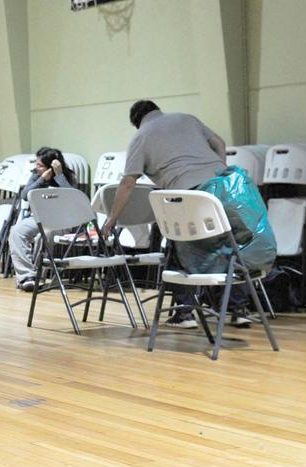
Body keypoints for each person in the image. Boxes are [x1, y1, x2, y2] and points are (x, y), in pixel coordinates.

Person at [101, 100, 276, 328]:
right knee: (235, 244)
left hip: (189, 197)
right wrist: (218, 172)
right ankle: (237, 309)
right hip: (225, 188)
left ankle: (185, 313)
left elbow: (127, 183)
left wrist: (112, 219)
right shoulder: (186, 118)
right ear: (157, 110)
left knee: (177, 246)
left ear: (136, 121)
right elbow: (219, 143)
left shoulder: (141, 136)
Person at [8, 147, 77, 291]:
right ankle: (27, 276)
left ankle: (38, 275)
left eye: (40, 165)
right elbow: (25, 194)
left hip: (61, 220)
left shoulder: (67, 176)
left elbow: (73, 198)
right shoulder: (35, 176)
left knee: (43, 235)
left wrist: (58, 176)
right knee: (16, 232)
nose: (36, 167)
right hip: (38, 217)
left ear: (51, 166)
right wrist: (41, 179)